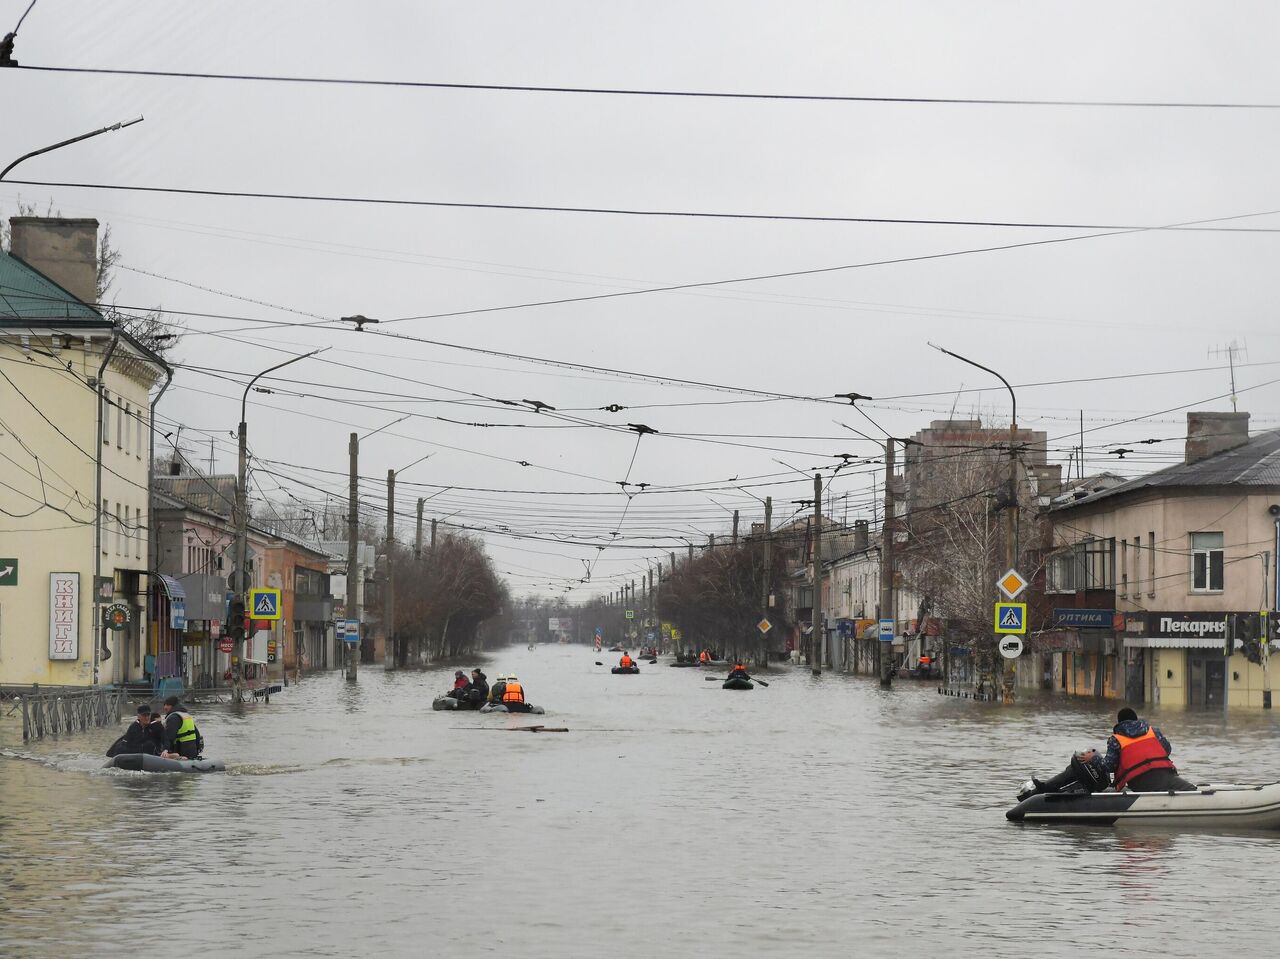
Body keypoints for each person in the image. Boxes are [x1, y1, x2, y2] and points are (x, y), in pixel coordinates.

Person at [1103, 706, 1196, 792]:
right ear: (1136, 720)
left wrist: (1094, 759)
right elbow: (1167, 750)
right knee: (1191, 790)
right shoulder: (1153, 731)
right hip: (1165, 775)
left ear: (1119, 723)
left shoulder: (1115, 740)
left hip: (1139, 782)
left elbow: (1109, 766)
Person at [160, 695, 204, 760]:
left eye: (167, 705)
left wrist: (165, 749)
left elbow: (169, 737)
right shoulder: (186, 715)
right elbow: (197, 734)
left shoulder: (173, 718)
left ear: (173, 706)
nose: (165, 707)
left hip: (181, 752)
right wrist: (197, 749)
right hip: (192, 751)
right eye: (164, 705)